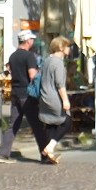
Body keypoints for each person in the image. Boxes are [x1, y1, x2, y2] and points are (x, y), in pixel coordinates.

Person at [0, 30, 41, 164]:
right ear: (28, 41)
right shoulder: (29, 56)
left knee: (13, 124)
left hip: (15, 93)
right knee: (36, 125)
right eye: (31, 39)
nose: (32, 42)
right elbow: (32, 75)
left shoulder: (13, 56)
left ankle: (3, 154)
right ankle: (45, 153)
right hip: (27, 94)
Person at [36, 36, 72, 164]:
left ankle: (48, 155)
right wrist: (65, 100)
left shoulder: (47, 60)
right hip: (54, 98)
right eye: (67, 46)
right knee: (66, 121)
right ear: (61, 47)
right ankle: (49, 147)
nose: (69, 49)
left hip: (44, 96)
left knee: (51, 124)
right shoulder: (58, 63)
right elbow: (59, 84)